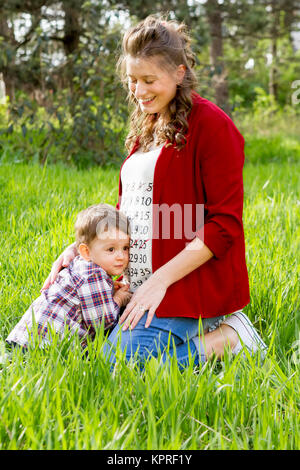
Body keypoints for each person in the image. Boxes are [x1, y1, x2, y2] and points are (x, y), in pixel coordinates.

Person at [42, 16, 267, 368]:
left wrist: (159, 282)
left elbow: (225, 224)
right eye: (132, 80)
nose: (138, 91)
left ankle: (231, 337)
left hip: (184, 288)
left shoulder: (212, 126)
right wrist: (83, 249)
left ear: (179, 73)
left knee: (120, 367)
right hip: (135, 286)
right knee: (71, 348)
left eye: (149, 80)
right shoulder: (147, 125)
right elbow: (131, 209)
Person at [6, 204, 131, 350]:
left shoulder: (83, 265)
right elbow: (102, 321)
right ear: (86, 251)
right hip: (45, 344)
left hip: (29, 337)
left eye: (125, 248)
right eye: (111, 249)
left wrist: (108, 292)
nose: (121, 256)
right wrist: (119, 299)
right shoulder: (93, 274)